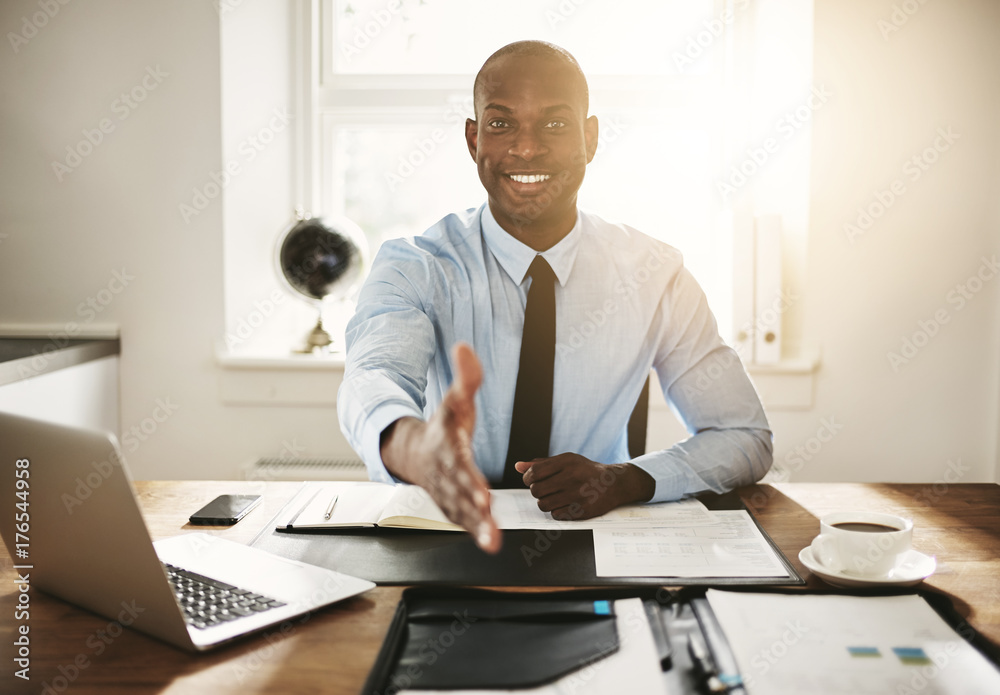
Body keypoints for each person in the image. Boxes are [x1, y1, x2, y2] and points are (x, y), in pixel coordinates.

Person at [338, 40, 772, 554]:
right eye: (501, 125)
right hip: (442, 542)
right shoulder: (416, 266)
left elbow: (744, 436)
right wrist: (415, 448)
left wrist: (626, 480)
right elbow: (372, 376)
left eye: (555, 124)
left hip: (598, 545)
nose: (526, 148)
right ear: (474, 139)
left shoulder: (657, 274)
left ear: (590, 138)